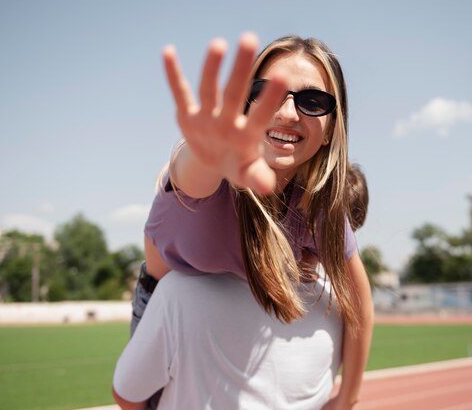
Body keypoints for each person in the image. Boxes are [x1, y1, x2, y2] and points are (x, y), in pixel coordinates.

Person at [113, 33, 373, 409]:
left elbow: (359, 300)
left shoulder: (319, 205)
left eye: (313, 101)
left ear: (333, 126)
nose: (287, 113)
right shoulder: (209, 174)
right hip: (161, 300)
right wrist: (207, 154)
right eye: (267, 92)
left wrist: (348, 395)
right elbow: (192, 174)